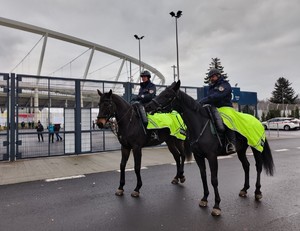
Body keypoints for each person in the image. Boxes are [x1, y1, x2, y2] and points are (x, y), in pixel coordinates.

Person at [199, 68, 236, 154]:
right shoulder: (211, 87)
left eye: (213, 76)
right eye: (210, 77)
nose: (211, 78)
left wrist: (204, 100)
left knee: (227, 120)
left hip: (226, 107)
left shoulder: (224, 85)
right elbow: (211, 98)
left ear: (218, 76)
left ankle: (231, 143)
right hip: (215, 108)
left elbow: (217, 96)